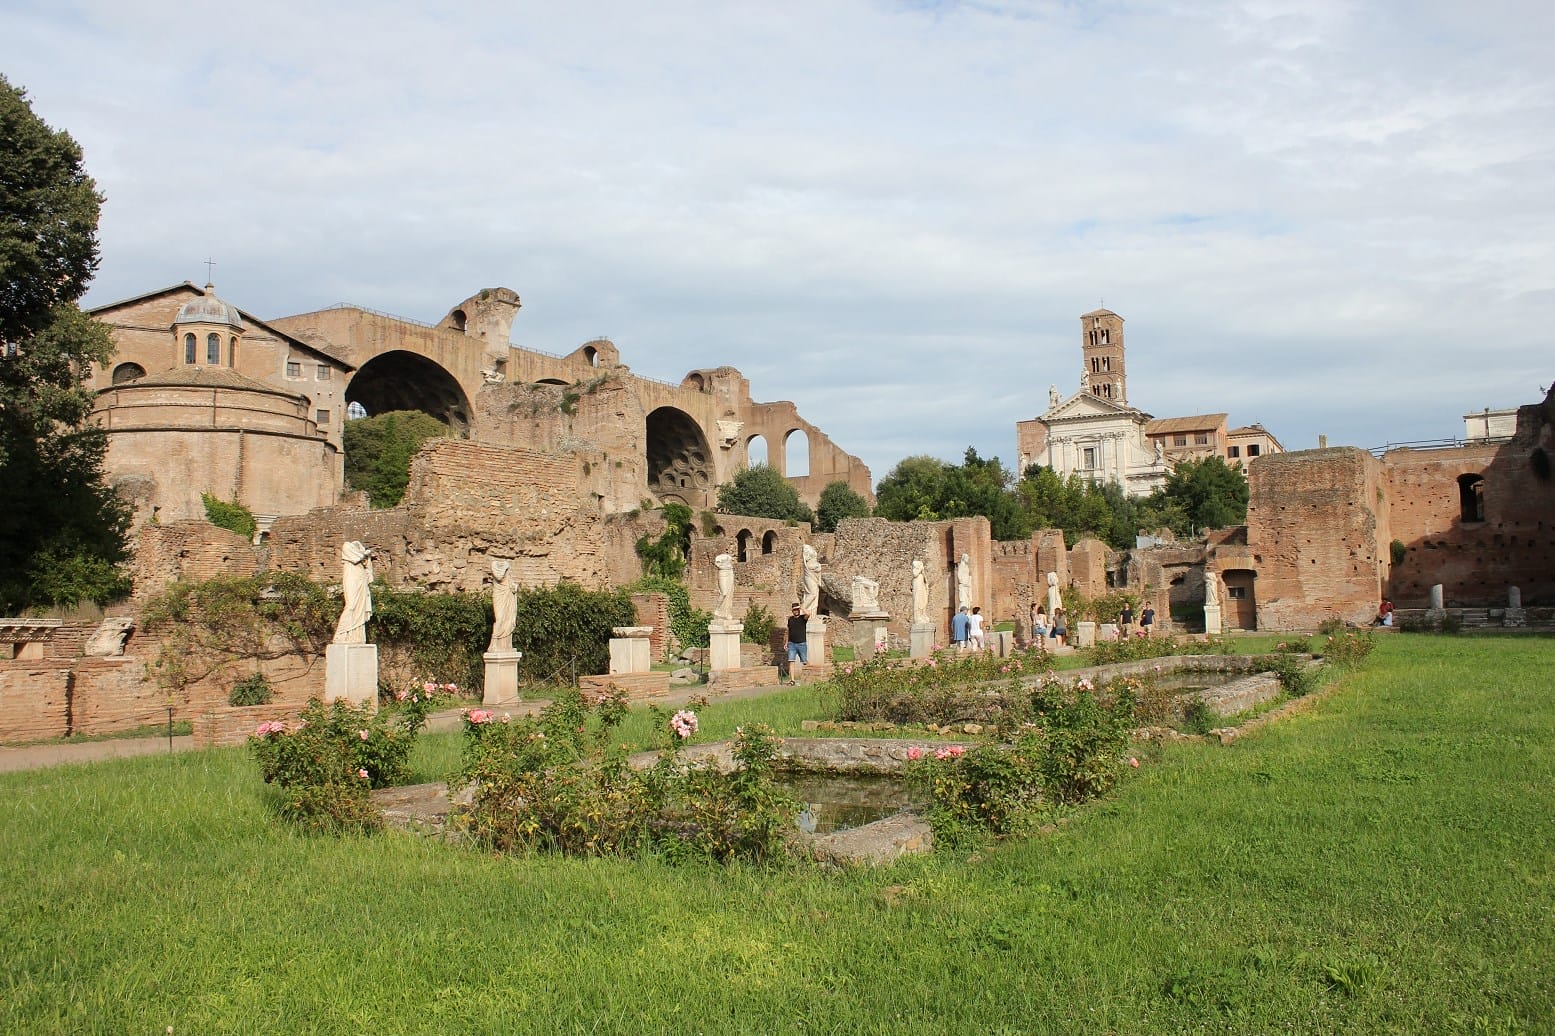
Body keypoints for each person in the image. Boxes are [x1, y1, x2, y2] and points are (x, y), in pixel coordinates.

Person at [785, 603, 809, 684]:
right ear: (792, 611)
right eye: (794, 610)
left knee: (805, 661)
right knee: (791, 661)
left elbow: (808, 614)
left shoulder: (803, 618)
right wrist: (786, 643)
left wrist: (801, 607)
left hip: (802, 643)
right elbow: (788, 631)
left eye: (797, 609)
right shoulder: (790, 619)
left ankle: (809, 677)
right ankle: (792, 680)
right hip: (791, 644)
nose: (796, 611)